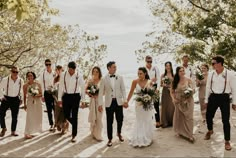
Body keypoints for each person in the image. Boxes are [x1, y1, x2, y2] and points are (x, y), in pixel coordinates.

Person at [204, 55, 236, 151]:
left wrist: (234, 102)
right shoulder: (211, 74)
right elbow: (208, 87)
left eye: (213, 63)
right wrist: (206, 100)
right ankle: (210, 130)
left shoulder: (230, 74)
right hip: (213, 97)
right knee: (208, 116)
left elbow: (234, 89)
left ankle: (227, 141)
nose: (212, 65)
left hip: (224, 98)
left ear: (219, 63)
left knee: (225, 120)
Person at [98, 61, 128, 147]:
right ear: (109, 68)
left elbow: (123, 90)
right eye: (114, 67)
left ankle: (119, 133)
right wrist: (100, 104)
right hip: (109, 103)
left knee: (120, 119)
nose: (115, 68)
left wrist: (125, 100)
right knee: (109, 121)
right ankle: (110, 139)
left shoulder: (120, 77)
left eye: (115, 67)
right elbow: (100, 93)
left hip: (119, 102)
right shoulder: (104, 79)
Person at [58, 61, 86, 142]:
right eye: (70, 69)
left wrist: (83, 100)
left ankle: (74, 135)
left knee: (74, 115)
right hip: (66, 96)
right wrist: (59, 99)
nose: (71, 71)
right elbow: (61, 87)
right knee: (66, 114)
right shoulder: (63, 74)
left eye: (73, 70)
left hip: (75, 96)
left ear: (75, 69)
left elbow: (83, 88)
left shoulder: (79, 75)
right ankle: (75, 125)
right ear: (68, 68)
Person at [127, 67, 154, 147]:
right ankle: (140, 137)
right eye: (138, 73)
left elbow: (152, 93)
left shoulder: (149, 82)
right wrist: (126, 101)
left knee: (147, 119)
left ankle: (147, 136)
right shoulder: (135, 82)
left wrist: (149, 99)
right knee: (139, 119)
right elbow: (131, 92)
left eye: (141, 73)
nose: (139, 75)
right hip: (138, 105)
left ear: (145, 73)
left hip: (147, 104)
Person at [170, 66, 195, 143]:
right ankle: (180, 131)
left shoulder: (189, 80)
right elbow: (171, 91)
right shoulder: (175, 81)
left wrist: (188, 96)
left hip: (188, 100)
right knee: (179, 116)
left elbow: (193, 90)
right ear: (177, 72)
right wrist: (173, 99)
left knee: (189, 117)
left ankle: (190, 134)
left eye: (183, 71)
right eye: (180, 71)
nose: (182, 72)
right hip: (178, 100)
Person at [0, 66, 24, 137]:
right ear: (11, 72)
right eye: (14, 72)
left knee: (14, 116)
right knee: (1, 114)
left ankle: (13, 131)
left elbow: (22, 90)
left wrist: (21, 98)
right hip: (6, 98)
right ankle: (3, 128)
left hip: (16, 99)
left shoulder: (20, 80)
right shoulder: (5, 79)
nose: (15, 73)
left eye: (17, 72)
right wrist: (1, 97)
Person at [85, 66, 103, 141]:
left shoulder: (102, 80)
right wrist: (91, 94)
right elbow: (86, 90)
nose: (95, 73)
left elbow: (105, 91)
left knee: (99, 117)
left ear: (99, 72)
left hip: (100, 101)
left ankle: (98, 134)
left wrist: (98, 95)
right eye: (94, 71)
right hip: (92, 101)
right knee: (93, 116)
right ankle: (93, 132)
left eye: (97, 71)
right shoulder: (90, 81)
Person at [23, 72, 43, 139]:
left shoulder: (38, 84)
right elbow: (24, 96)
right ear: (27, 77)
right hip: (29, 102)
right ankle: (27, 133)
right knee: (29, 117)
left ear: (33, 76)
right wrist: (25, 104)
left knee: (37, 117)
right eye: (28, 76)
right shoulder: (25, 85)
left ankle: (34, 131)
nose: (29, 77)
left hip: (37, 102)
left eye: (31, 75)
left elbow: (41, 94)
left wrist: (35, 95)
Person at [145, 55, 161, 128]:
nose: (149, 63)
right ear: (145, 61)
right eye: (148, 61)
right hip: (147, 87)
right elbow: (142, 79)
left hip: (155, 87)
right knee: (148, 104)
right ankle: (149, 121)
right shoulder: (144, 69)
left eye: (151, 61)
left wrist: (158, 88)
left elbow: (158, 79)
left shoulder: (155, 68)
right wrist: (150, 81)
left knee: (156, 104)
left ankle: (157, 121)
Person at [39, 59, 55, 131]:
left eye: (49, 64)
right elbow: (41, 85)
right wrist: (42, 95)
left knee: (56, 109)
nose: (48, 66)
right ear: (45, 65)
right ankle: (51, 124)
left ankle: (57, 123)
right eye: (46, 64)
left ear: (51, 64)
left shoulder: (54, 73)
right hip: (47, 93)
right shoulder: (42, 74)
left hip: (55, 92)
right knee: (49, 110)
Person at [52, 65, 68, 134]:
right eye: (57, 70)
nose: (58, 71)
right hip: (56, 98)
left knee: (64, 113)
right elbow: (53, 88)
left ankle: (64, 127)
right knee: (57, 112)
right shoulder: (55, 79)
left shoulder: (66, 78)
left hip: (64, 97)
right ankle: (58, 124)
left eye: (60, 70)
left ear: (62, 70)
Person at [160, 61, 175, 128]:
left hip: (172, 91)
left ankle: (171, 122)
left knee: (171, 106)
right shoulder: (163, 75)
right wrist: (164, 85)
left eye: (169, 65)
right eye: (167, 66)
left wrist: (171, 87)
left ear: (171, 66)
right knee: (165, 106)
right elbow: (160, 84)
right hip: (165, 91)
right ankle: (165, 122)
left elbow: (175, 84)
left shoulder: (173, 75)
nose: (168, 67)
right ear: (165, 67)